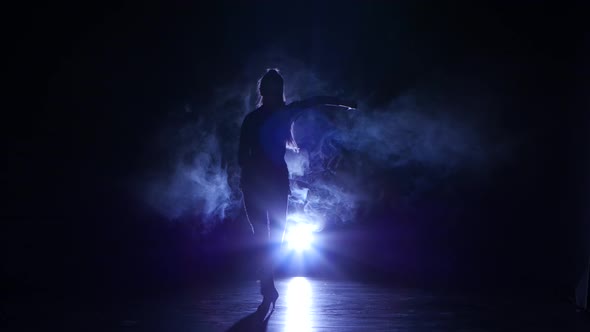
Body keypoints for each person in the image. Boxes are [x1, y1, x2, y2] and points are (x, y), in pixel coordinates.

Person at [238, 68, 356, 315]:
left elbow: (314, 100)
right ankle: (267, 281)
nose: (271, 93)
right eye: (269, 89)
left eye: (275, 89)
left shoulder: (281, 114)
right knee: (263, 235)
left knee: (274, 236)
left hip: (272, 181)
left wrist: (343, 103)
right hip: (257, 182)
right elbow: (242, 155)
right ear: (263, 91)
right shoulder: (254, 119)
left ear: (278, 91)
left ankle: (267, 280)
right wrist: (247, 177)